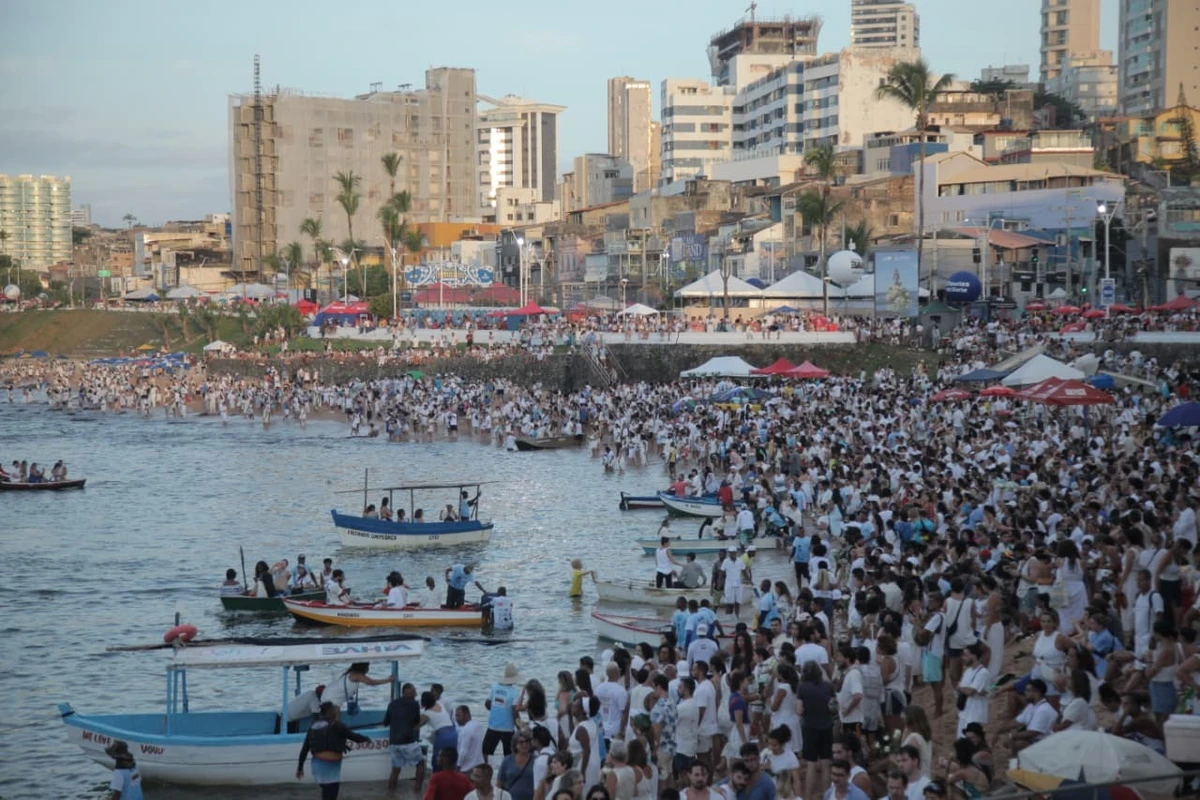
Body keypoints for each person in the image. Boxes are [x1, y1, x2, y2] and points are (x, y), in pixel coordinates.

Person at [297, 702, 372, 800]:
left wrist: (300, 768)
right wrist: (366, 739)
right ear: (330, 712)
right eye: (334, 709)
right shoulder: (337, 725)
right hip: (330, 768)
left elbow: (305, 749)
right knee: (331, 795)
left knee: (326, 793)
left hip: (317, 767)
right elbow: (354, 737)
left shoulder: (313, 726)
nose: (336, 711)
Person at [386, 682, 427, 792]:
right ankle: (418, 791)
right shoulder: (414, 704)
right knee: (420, 764)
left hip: (394, 742)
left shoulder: (392, 704)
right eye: (414, 691)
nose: (416, 694)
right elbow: (416, 722)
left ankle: (391, 792)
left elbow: (386, 722)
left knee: (395, 769)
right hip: (407, 741)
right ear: (411, 693)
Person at [323, 661, 395, 714]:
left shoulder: (349, 672)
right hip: (332, 698)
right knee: (335, 720)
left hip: (328, 694)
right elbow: (371, 682)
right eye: (367, 666)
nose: (368, 668)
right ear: (363, 667)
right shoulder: (357, 675)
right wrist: (388, 680)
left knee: (335, 718)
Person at [484, 663, 523, 758]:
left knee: (485, 751)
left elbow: (487, 704)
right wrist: (520, 728)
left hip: (493, 725)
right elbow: (515, 712)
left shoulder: (494, 688)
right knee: (509, 754)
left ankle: (485, 769)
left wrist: (496, 711)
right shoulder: (514, 692)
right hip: (507, 728)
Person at [955, 643, 991, 739]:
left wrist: (960, 689)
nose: (963, 657)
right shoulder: (968, 671)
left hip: (975, 713)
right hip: (965, 711)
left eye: (966, 655)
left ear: (974, 656)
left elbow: (970, 691)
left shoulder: (983, 673)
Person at [457, 705, 487, 773]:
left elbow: (463, 752)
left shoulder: (465, 730)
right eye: (456, 716)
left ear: (467, 715)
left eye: (459, 715)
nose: (457, 718)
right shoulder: (477, 725)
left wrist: (458, 767)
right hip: (479, 764)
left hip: (467, 769)